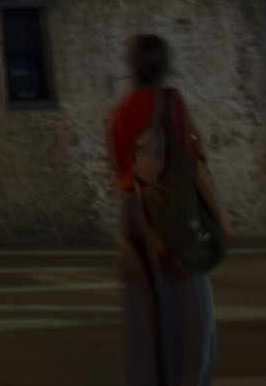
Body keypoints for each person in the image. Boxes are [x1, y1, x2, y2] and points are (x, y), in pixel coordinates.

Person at [107, 32, 228, 386]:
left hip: (132, 213)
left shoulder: (120, 112)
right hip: (169, 213)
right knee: (191, 316)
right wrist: (220, 217)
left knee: (143, 317)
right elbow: (193, 161)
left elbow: (116, 170)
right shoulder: (170, 103)